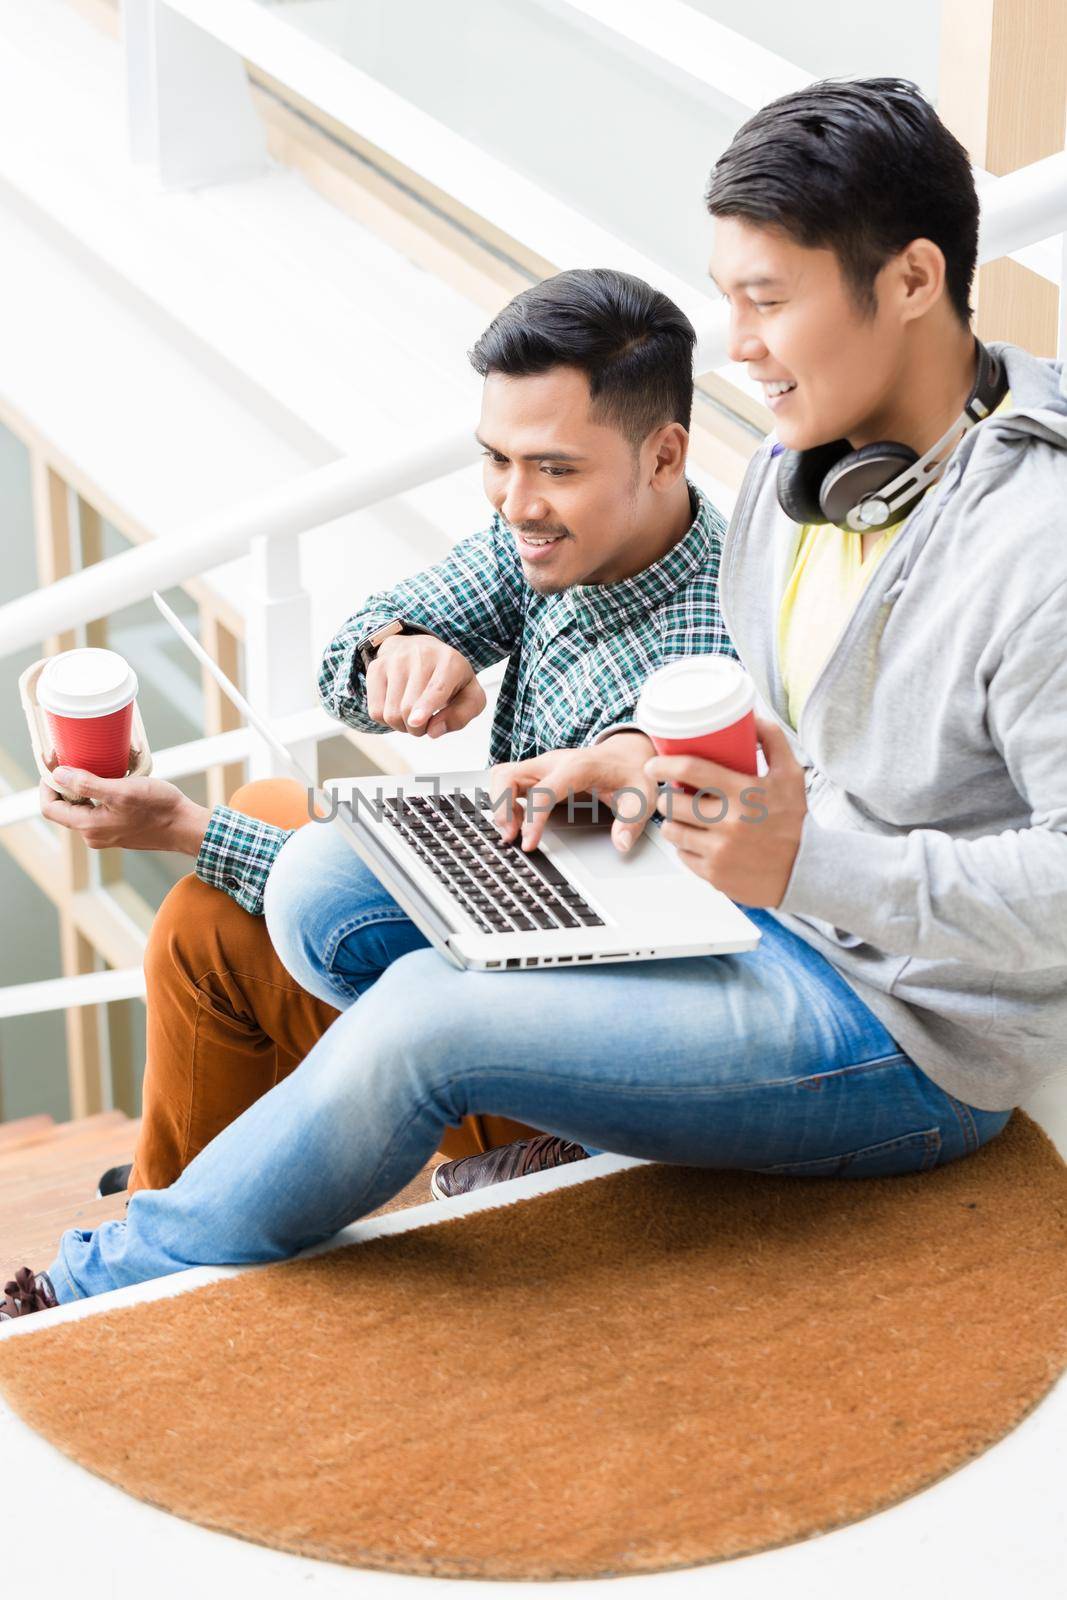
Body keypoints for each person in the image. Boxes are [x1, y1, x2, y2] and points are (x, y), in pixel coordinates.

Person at [5, 74, 1060, 1322]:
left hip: (903, 1028)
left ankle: (80, 1290)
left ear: (908, 280)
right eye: (728, 299)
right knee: (328, 882)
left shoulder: (1033, 549)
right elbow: (790, 735)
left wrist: (807, 863)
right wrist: (635, 764)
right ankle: (534, 1121)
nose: (736, 345)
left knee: (424, 1023)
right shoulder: (803, 465)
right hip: (752, 909)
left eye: (767, 302)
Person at [23, 268, 738, 1206]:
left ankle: (170, 1214)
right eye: (496, 458)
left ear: (663, 454)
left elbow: (514, 953)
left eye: (552, 467)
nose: (513, 501)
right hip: (519, 932)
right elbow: (352, 658)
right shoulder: (575, 530)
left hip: (570, 1071)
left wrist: (184, 831)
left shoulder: (690, 671)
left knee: (206, 922)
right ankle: (209, 1149)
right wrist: (396, 652)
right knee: (269, 810)